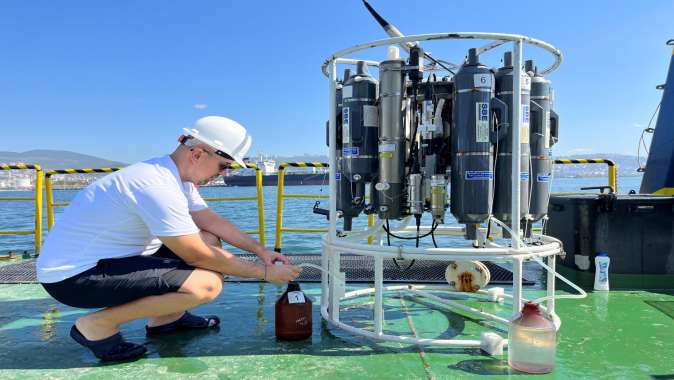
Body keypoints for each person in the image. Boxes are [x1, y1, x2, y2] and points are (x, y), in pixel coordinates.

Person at [36, 116, 302, 362]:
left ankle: (166, 320)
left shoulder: (175, 177)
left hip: (109, 261)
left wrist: (260, 250)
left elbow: (210, 222)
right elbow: (196, 255)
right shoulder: (155, 185)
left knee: (208, 237)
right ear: (198, 153)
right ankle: (97, 326)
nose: (225, 174)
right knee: (206, 284)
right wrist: (264, 272)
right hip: (73, 278)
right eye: (224, 166)